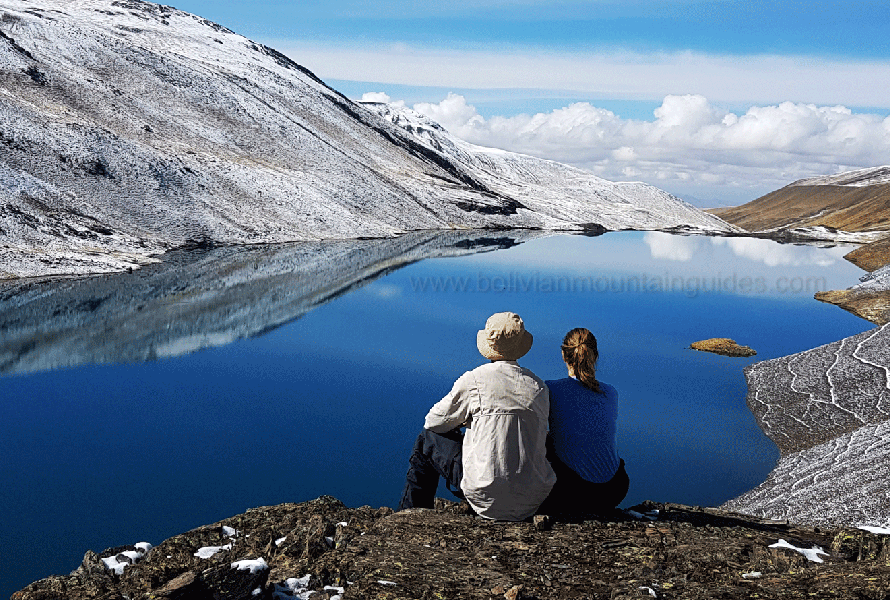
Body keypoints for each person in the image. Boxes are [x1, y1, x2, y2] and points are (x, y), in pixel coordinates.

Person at [398, 312, 556, 521]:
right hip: (532, 501)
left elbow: (433, 422)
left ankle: (409, 517)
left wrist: (463, 421)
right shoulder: (538, 387)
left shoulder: (475, 380)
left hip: (484, 496)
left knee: (426, 440)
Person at [539, 327, 629, 517]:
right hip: (614, 489)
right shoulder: (610, 392)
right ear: (595, 355)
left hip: (573, 491)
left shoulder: (551, 390)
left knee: (540, 439)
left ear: (564, 354)